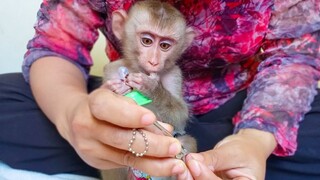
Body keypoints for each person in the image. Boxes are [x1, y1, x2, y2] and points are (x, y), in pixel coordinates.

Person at [0, 0, 320, 179]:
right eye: (147, 41)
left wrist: (255, 140)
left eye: (165, 45)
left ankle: (213, 158)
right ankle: (121, 150)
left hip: (238, 109)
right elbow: (56, 46)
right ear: (121, 25)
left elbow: (295, 56)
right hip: (127, 116)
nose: (154, 58)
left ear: (184, 44)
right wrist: (72, 116)